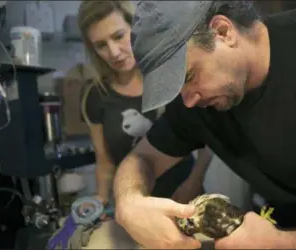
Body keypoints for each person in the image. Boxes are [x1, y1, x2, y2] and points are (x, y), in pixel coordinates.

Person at [113, 1, 296, 249]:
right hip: (283, 227)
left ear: (223, 32)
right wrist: (129, 203)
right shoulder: (194, 100)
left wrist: (286, 244)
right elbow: (142, 158)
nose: (188, 101)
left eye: (189, 76)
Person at [77, 0, 213, 214]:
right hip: (137, 211)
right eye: (101, 45)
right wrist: (99, 200)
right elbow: (104, 161)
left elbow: (206, 141)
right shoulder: (95, 96)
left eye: (118, 36)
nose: (114, 52)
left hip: (186, 201)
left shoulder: (172, 75)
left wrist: (192, 184)